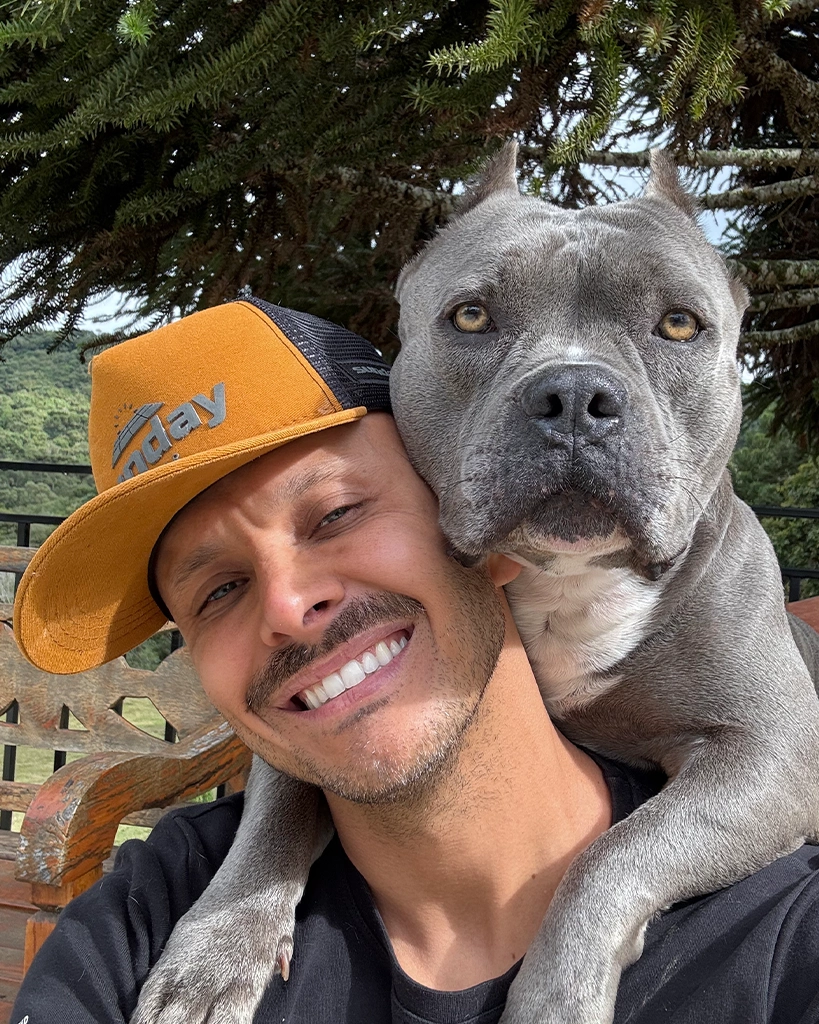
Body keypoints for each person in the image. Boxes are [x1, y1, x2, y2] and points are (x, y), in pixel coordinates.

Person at [11, 300, 819, 1024]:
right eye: (219, 591)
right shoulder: (143, 922)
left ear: (485, 525)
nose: (287, 608)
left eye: (336, 514)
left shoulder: (782, 936)